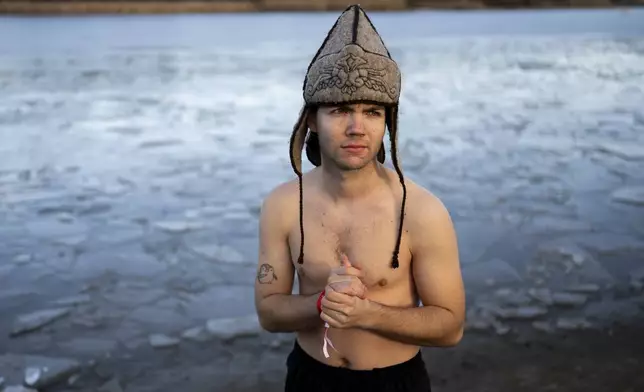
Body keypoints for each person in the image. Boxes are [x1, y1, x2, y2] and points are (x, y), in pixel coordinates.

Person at [254, 4, 465, 392]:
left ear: (387, 122)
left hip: (395, 381)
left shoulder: (421, 211)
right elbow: (269, 312)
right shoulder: (284, 205)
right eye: (339, 110)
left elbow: (450, 327)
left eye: (372, 112)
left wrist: (365, 313)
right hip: (309, 377)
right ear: (312, 121)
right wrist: (320, 303)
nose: (356, 127)